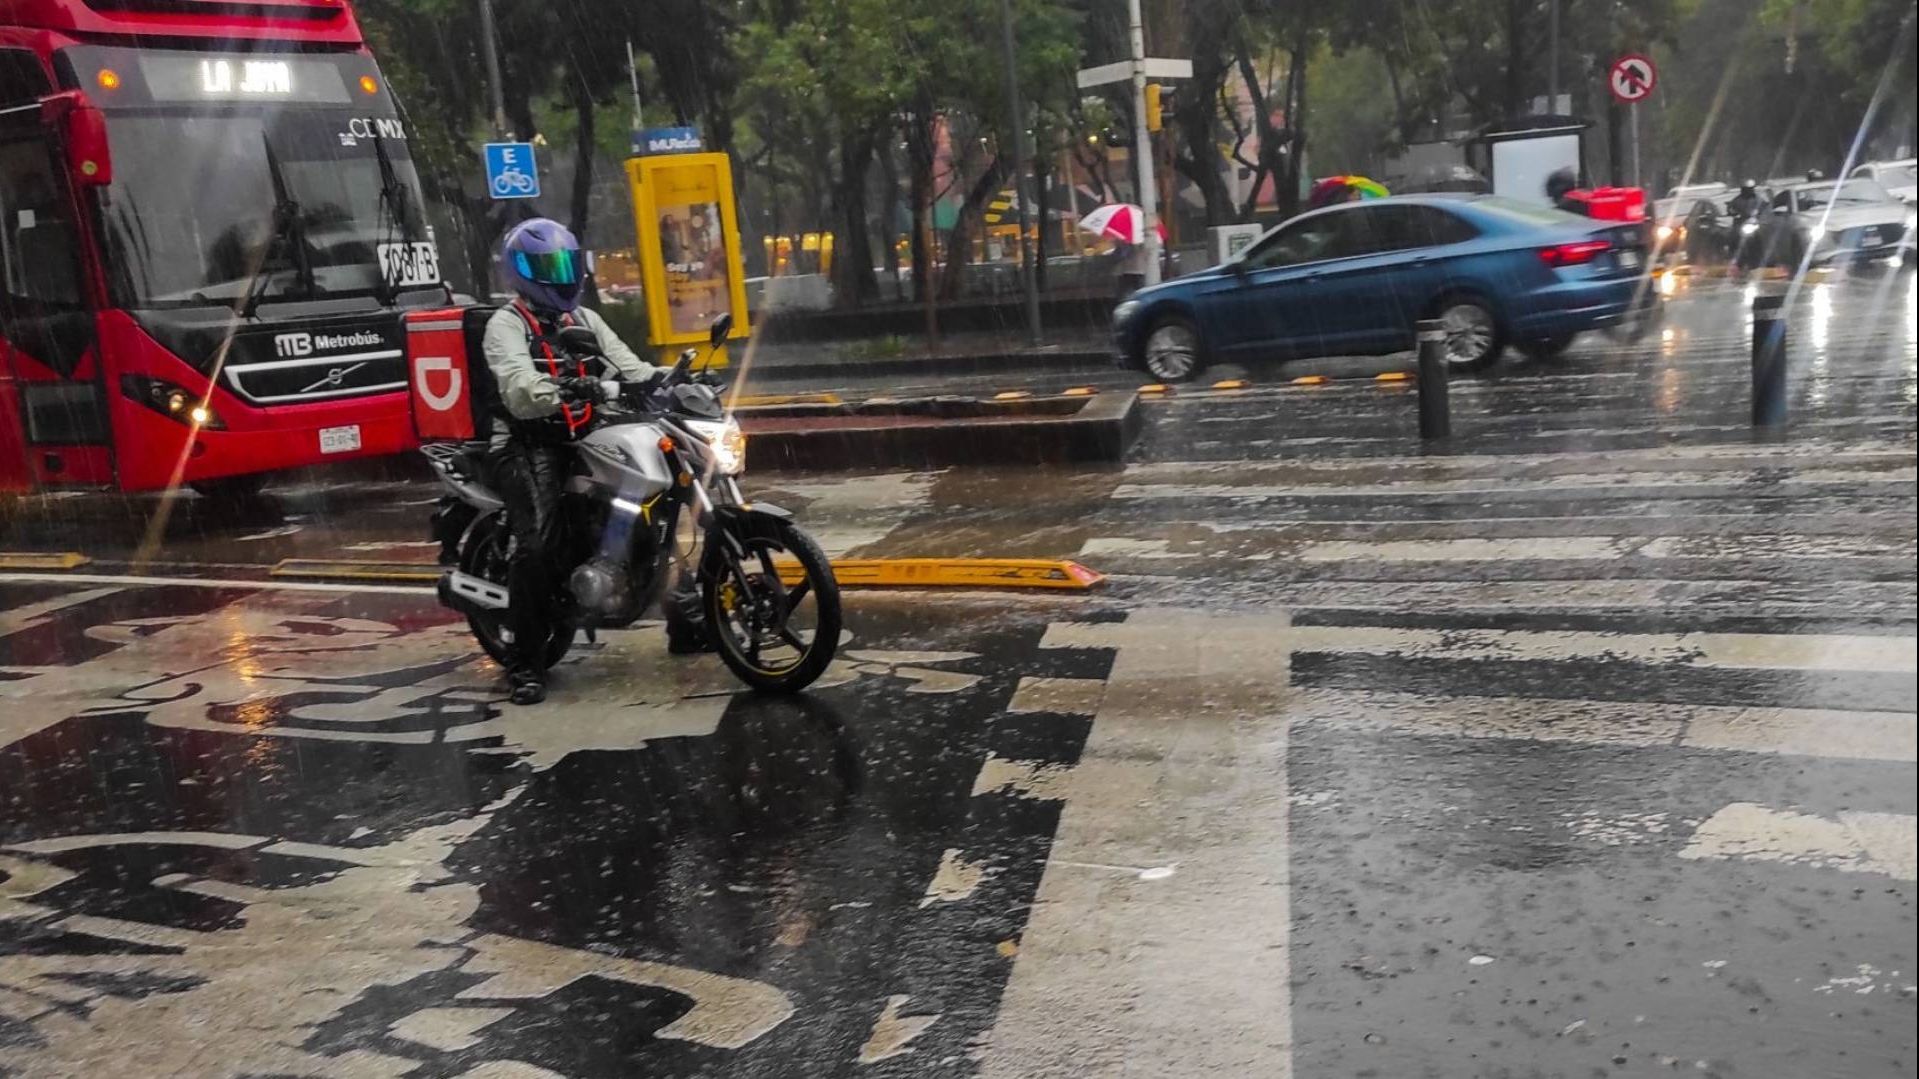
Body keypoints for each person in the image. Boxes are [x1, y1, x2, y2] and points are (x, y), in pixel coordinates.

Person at [482, 218, 704, 706]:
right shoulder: (507, 324)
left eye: (564, 263)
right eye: (546, 267)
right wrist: (567, 387)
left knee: (651, 503)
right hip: (526, 442)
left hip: (584, 432)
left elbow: (630, 366)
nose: (558, 275)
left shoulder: (584, 320)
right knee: (535, 544)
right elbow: (519, 388)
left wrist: (671, 380)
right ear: (519, 272)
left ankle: (687, 622)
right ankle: (525, 662)